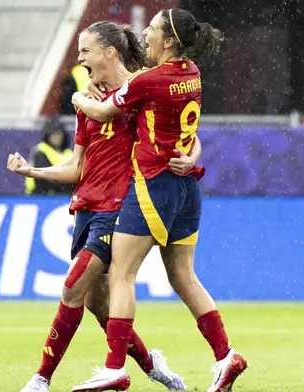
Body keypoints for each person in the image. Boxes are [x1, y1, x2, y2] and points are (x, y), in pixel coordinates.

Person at [8, 22, 193, 392]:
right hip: (87, 208)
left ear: (109, 52)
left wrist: (191, 155)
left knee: (72, 287)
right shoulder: (87, 102)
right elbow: (76, 167)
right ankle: (151, 364)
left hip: (120, 206)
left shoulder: (140, 91)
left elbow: (183, 131)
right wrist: (33, 170)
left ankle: (41, 377)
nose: (79, 59)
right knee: (97, 304)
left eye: (85, 52)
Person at [69, 9, 246, 392]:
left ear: (168, 41)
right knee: (183, 277)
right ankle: (225, 354)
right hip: (187, 186)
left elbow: (101, 110)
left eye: (152, 29)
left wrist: (76, 97)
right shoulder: (191, 74)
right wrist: (194, 155)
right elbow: (184, 127)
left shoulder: (149, 81)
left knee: (121, 273)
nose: (144, 34)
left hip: (154, 185)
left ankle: (115, 367)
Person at [24, 117, 74, 196]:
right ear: (48, 135)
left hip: (62, 194)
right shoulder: (40, 151)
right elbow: (43, 180)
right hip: (38, 196)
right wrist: (67, 181)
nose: (57, 137)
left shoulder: (69, 153)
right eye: (54, 134)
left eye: (59, 133)